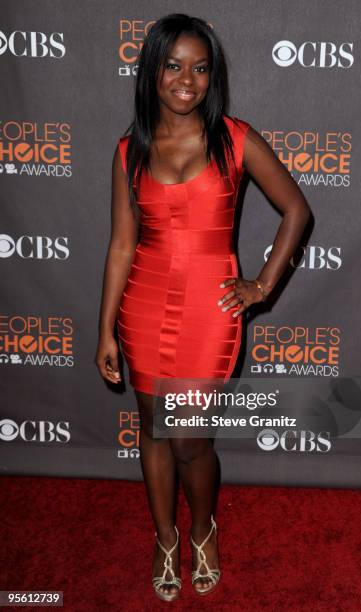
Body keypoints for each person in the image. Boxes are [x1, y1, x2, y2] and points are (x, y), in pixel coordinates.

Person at [95, 13, 310, 602]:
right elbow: (120, 244)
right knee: (153, 431)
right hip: (141, 303)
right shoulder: (128, 150)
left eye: (199, 67)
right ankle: (165, 537)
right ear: (152, 71)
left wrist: (261, 286)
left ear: (212, 76)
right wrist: (105, 329)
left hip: (210, 310)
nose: (186, 80)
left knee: (189, 438)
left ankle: (203, 529)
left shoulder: (235, 139)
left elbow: (297, 210)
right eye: (173, 65)